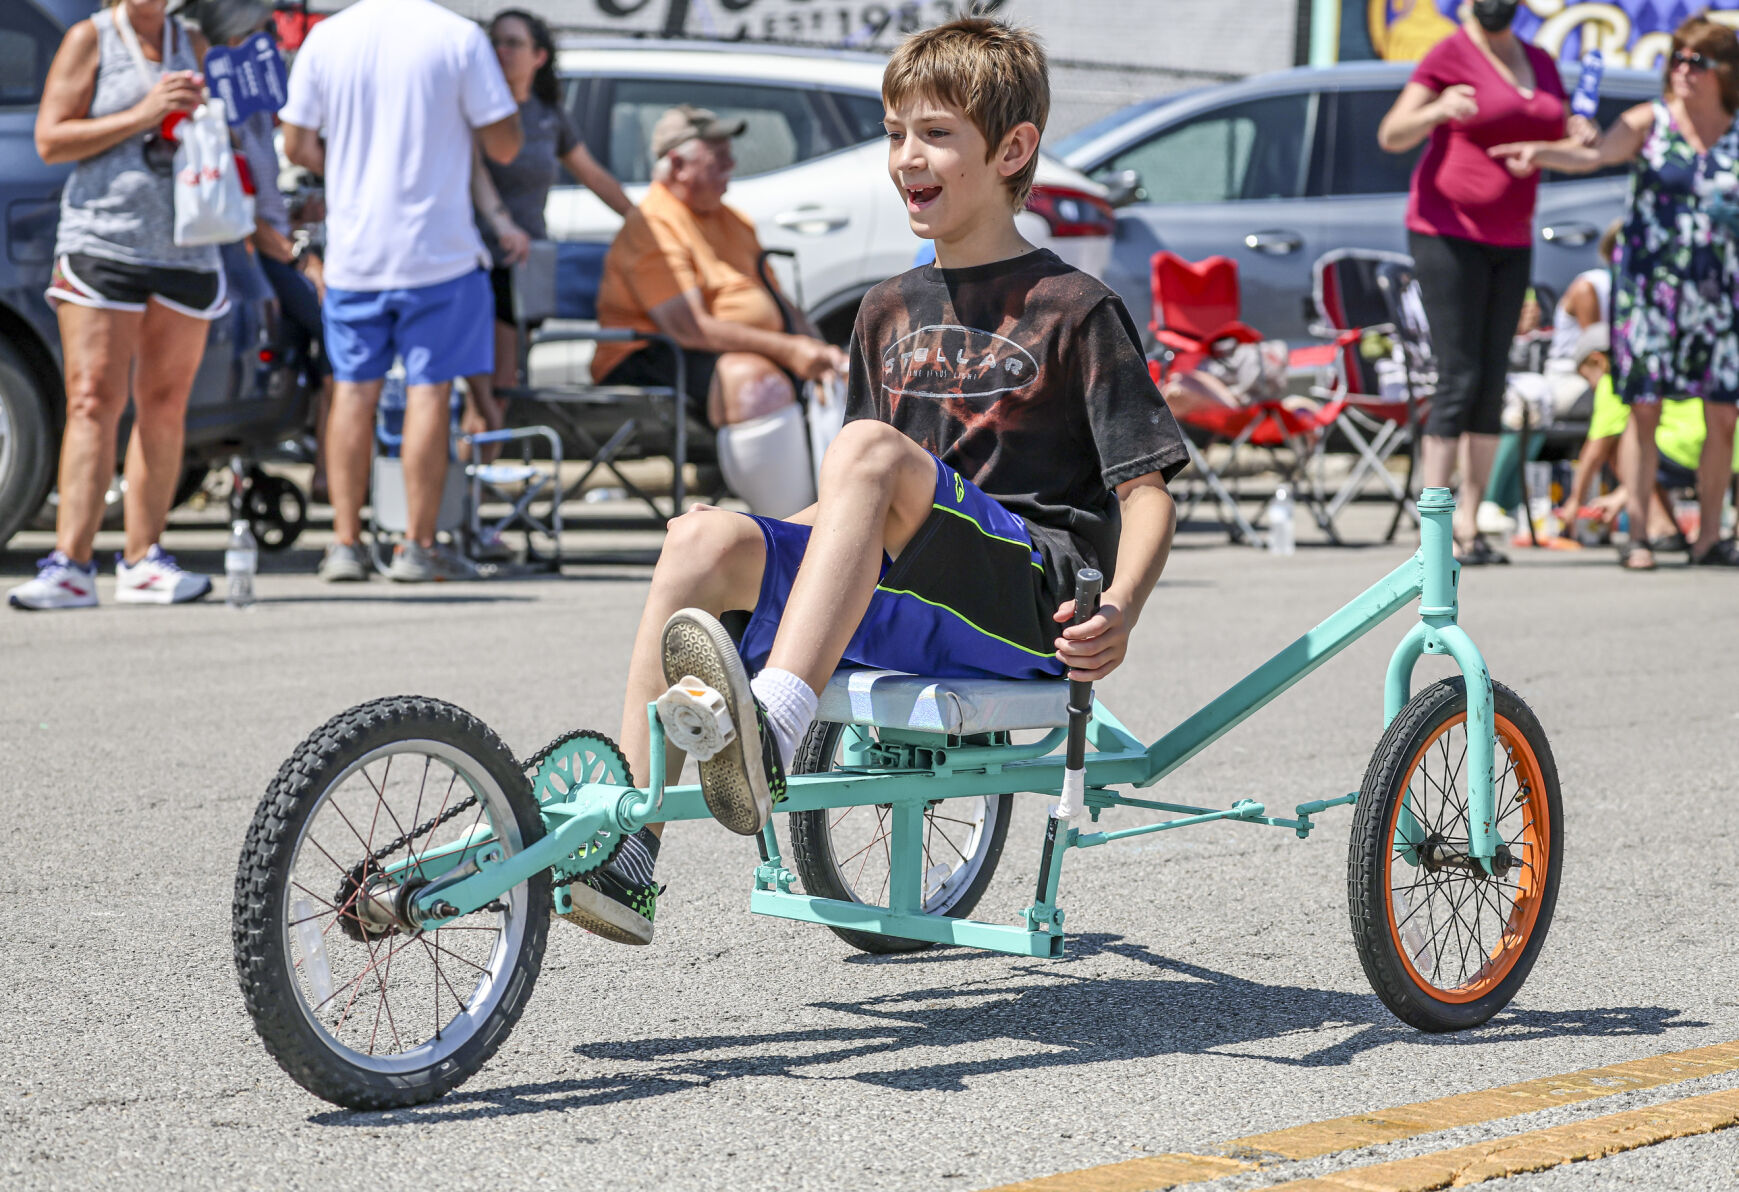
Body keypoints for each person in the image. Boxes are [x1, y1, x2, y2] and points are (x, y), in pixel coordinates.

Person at [560, 18, 1187, 946]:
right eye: (895, 133)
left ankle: (769, 728)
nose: (906, 157)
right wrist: (762, 556)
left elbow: (1147, 493)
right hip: (904, 585)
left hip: (1025, 594)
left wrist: (1122, 611)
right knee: (701, 535)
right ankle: (629, 839)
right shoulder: (885, 307)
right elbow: (858, 498)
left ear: (1012, 149)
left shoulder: (1075, 308)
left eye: (934, 134)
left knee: (866, 451)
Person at [279, 0, 522, 583]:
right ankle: (416, 544)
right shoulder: (458, 38)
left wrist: (351, 169)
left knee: (352, 395)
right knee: (429, 394)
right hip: (437, 251)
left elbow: (295, 144)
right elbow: (506, 145)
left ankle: (344, 542)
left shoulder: (327, 38)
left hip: (357, 252)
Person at [1491, 14, 1739, 570]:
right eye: (1675, 57)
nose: (1681, 69)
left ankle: (1708, 537)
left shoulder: (1735, 129)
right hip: (1653, 289)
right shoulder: (1652, 121)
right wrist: (1544, 151)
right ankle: (1639, 536)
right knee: (1643, 408)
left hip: (1719, 294)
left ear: (1724, 71)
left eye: (1695, 61)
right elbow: (1596, 152)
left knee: (1723, 415)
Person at [11, 0, 225, 611]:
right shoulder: (91, 39)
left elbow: (226, 132)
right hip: (104, 241)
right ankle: (71, 564)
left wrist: (210, 113)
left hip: (188, 247)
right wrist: (144, 113)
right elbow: (51, 140)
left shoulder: (193, 43)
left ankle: (143, 559)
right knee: (93, 400)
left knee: (164, 404)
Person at [1376, 0, 1587, 565]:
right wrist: (1439, 108)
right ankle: (1438, 529)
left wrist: (1570, 136)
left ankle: (1472, 523)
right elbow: (1392, 134)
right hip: (1447, 232)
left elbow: (1569, 146)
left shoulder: (1540, 61)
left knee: (1493, 379)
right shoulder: (1450, 53)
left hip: (1513, 237)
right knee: (1459, 374)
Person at [592, 105, 847, 518]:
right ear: (677, 164)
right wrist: (789, 351)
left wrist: (817, 349)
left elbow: (780, 303)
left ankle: (834, 518)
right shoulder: (652, 224)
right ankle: (789, 527)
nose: (732, 164)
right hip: (652, 354)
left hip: (723, 349)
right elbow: (688, 328)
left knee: (844, 374)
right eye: (718, 156)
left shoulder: (732, 219)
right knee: (755, 384)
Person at [464, 8, 631, 458]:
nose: (501, 51)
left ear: (539, 55)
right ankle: (473, 503)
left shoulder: (548, 114)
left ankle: (479, 499)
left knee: (505, 384)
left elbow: (593, 175)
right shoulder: (477, 109)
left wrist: (643, 223)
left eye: (513, 43)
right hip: (479, 263)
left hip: (528, 264)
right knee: (490, 387)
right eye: (494, 41)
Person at [196, 0, 335, 495]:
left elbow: (265, 200)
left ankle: (327, 453)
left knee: (332, 338)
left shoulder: (257, 110)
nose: (272, 43)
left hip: (278, 243)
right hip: (260, 255)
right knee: (340, 333)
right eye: (262, 32)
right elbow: (237, 209)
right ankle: (332, 470)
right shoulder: (220, 103)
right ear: (235, 39)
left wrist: (298, 216)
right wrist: (300, 257)